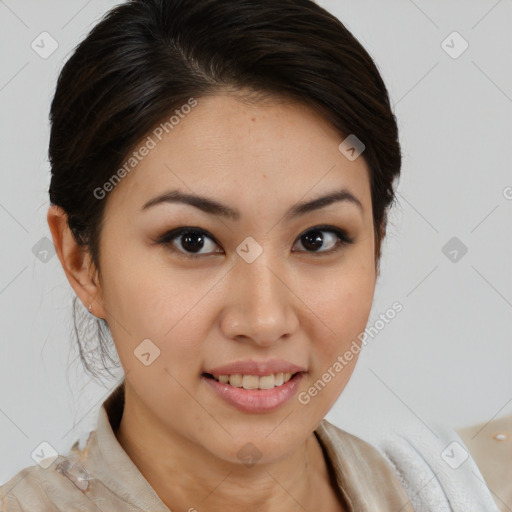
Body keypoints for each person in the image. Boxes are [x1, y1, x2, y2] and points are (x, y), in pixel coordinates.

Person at [0, 0, 500, 510]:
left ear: (376, 245)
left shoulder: (462, 493)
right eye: (192, 241)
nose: (264, 320)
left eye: (317, 239)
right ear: (81, 261)